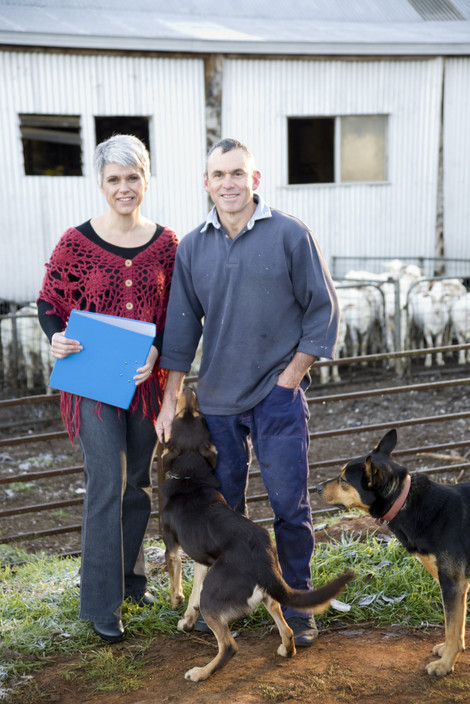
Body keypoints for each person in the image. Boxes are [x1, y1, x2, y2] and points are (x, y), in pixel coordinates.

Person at [156, 137, 339, 647]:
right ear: (207, 183)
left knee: (289, 506)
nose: (229, 183)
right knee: (223, 507)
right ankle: (226, 601)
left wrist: (290, 378)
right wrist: (171, 399)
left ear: (254, 179)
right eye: (219, 175)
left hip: (277, 398)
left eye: (238, 173)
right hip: (217, 402)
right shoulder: (193, 246)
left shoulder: (289, 234)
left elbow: (322, 310)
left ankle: (297, 605)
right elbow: (179, 330)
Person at [37, 134, 178, 643]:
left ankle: (131, 581)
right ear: (101, 184)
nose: (125, 187)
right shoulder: (76, 242)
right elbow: (50, 302)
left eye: (133, 177)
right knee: (107, 485)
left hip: (144, 384)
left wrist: (159, 350)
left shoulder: (167, 244)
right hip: (91, 383)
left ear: (146, 179)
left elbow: (175, 315)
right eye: (114, 179)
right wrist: (56, 339)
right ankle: (100, 603)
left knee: (137, 483)